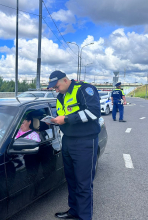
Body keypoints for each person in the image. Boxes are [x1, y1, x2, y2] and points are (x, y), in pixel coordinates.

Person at [47, 70, 101, 220]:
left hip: (85, 142)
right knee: (71, 179)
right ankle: (74, 211)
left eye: (56, 86)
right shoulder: (60, 96)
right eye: (53, 87)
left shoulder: (84, 89)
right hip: (68, 140)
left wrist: (67, 119)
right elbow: (62, 115)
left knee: (83, 183)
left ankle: (84, 217)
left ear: (65, 80)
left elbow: (94, 112)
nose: (55, 89)